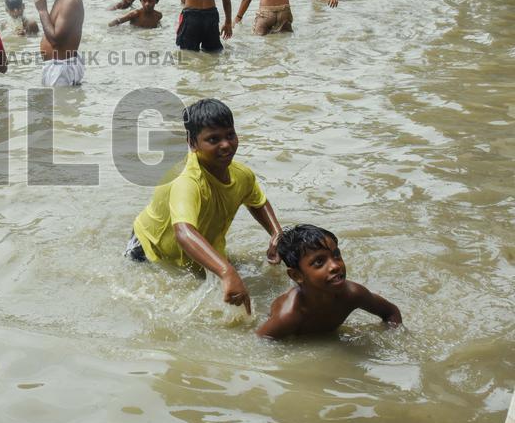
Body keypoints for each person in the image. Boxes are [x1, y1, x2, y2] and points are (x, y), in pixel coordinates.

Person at [124, 98, 283, 313]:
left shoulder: (241, 175)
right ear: (192, 143)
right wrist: (227, 272)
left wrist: (276, 233)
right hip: (150, 251)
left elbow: (257, 201)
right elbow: (183, 231)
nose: (226, 144)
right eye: (213, 139)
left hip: (196, 246)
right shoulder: (187, 180)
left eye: (230, 135)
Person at [256, 224, 403, 339]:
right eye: (319, 262)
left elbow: (391, 312)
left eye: (336, 255)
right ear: (296, 276)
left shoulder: (353, 294)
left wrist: (392, 339)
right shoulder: (289, 315)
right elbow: (261, 342)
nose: (335, 266)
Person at [33, 0, 85, 87]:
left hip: (62, 69)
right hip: (57, 67)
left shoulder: (70, 0)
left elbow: (56, 41)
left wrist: (42, 10)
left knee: (59, 107)